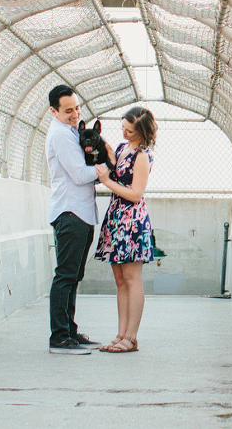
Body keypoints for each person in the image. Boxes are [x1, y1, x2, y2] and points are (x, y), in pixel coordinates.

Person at [45, 84, 110, 355]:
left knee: (73, 276)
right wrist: (110, 166)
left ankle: (69, 331)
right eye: (68, 110)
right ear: (54, 111)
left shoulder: (72, 132)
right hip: (70, 213)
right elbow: (81, 174)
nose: (74, 114)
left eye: (77, 108)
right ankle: (59, 338)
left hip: (81, 213)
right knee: (65, 275)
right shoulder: (60, 135)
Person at [93, 106, 157, 353]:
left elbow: (135, 193)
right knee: (120, 280)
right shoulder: (122, 149)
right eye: (122, 127)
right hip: (116, 218)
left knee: (132, 278)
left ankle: (131, 337)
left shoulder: (142, 155)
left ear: (140, 131)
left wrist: (107, 181)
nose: (124, 133)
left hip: (132, 221)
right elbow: (118, 175)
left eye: (129, 130)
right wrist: (109, 156)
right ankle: (121, 334)